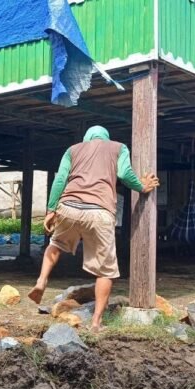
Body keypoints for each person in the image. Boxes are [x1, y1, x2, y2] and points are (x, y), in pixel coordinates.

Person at [27, 126, 160, 332]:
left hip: (69, 206)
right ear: (106, 137)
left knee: (55, 244)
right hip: (99, 211)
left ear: (86, 138)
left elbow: (60, 179)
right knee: (105, 270)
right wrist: (142, 186)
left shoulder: (73, 150)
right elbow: (124, 173)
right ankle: (96, 322)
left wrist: (51, 209)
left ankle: (42, 280)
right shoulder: (119, 147)